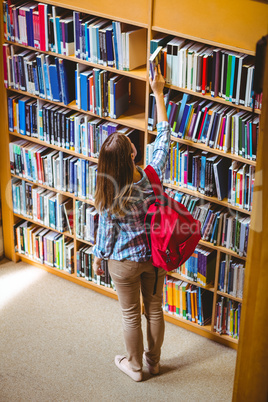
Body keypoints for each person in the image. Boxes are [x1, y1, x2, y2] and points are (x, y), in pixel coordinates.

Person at [92, 65, 171, 382]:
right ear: (134, 153)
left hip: (123, 262)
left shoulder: (108, 190)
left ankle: (135, 367)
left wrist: (99, 255)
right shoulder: (151, 173)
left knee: (130, 314)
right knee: (154, 310)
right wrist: (158, 93)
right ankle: (154, 362)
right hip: (154, 256)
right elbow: (164, 136)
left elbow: (106, 234)